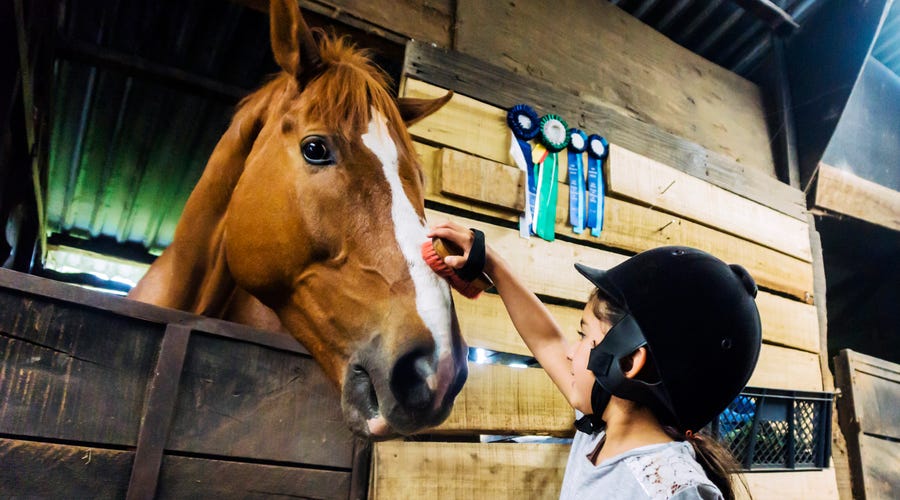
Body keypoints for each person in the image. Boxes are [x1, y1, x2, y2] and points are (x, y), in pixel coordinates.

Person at [427, 221, 762, 500]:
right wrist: (491, 265)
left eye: (585, 336)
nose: (572, 352)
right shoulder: (600, 427)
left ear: (629, 362)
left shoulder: (671, 490)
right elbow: (546, 340)